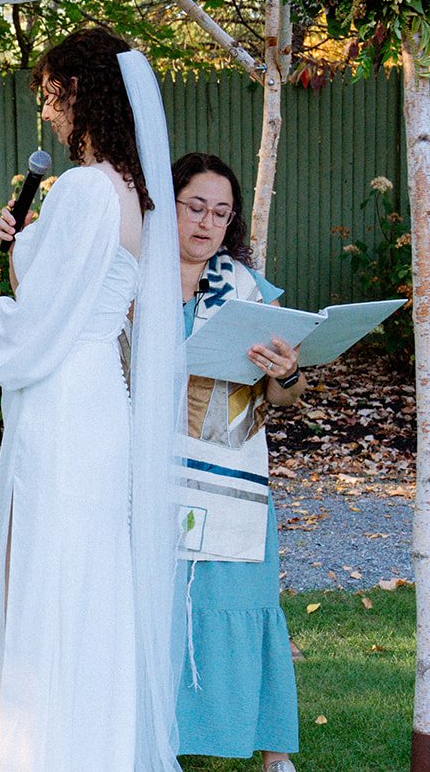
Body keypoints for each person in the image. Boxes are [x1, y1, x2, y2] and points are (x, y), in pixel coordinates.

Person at [0, 26, 187, 772]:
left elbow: (34, 326)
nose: (51, 115)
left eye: (54, 96)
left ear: (84, 93)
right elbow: (63, 304)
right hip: (98, 396)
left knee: (55, 577)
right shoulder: (132, 193)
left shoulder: (88, 188)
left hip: (66, 404)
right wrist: (22, 245)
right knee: (86, 581)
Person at [170, 151, 304, 772]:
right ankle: (153, 734)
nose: (206, 224)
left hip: (234, 474)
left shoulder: (244, 290)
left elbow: (283, 397)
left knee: (242, 598)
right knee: (163, 604)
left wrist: (289, 373)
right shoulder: (127, 280)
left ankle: (274, 754)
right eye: (195, 207)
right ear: (163, 205)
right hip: (152, 470)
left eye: (221, 213)